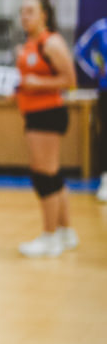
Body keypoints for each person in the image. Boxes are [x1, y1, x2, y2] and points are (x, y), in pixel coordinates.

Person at [15, 0, 78, 257]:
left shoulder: (51, 43)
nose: (25, 16)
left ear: (44, 15)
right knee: (52, 173)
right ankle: (65, 232)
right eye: (22, 12)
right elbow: (31, 79)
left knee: (44, 175)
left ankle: (49, 237)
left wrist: (36, 84)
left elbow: (70, 80)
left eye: (30, 11)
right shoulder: (30, 44)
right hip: (34, 113)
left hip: (48, 114)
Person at [74, 14, 107, 203]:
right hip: (105, 90)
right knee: (105, 134)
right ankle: (105, 180)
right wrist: (96, 71)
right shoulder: (100, 28)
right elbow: (79, 50)